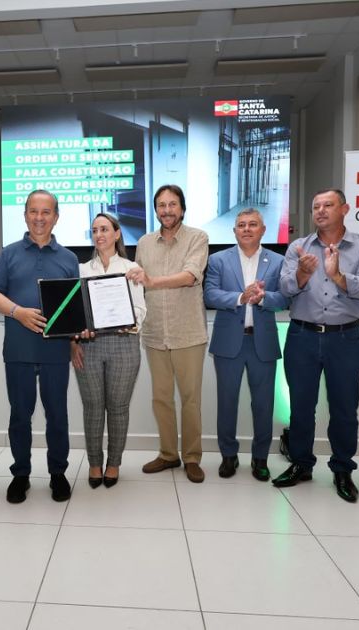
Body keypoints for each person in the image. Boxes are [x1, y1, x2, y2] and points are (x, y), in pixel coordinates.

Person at [273, 189, 359, 503]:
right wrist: (303, 274)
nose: (320, 210)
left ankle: (342, 468)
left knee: (344, 408)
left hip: (344, 338)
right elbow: (284, 288)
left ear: (344, 209)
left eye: (328, 205)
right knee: (300, 407)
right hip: (302, 336)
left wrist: (338, 276)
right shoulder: (299, 247)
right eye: (316, 206)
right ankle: (301, 464)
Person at [0, 190, 78, 503]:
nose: (39, 218)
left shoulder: (69, 259)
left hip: (56, 352)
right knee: (19, 416)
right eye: (34, 211)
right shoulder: (9, 254)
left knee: (58, 416)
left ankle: (58, 473)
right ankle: (21, 474)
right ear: (25, 215)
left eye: (46, 212)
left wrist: (76, 339)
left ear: (56, 216)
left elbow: (73, 307)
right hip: (19, 351)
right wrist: (18, 312)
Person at [126, 185, 210, 483]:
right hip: (154, 333)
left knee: (190, 399)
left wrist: (152, 281)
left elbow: (190, 276)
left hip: (188, 332)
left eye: (172, 204)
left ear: (182, 208)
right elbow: (136, 285)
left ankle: (192, 457)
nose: (167, 210)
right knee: (161, 398)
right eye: (161, 205)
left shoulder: (198, 238)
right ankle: (168, 454)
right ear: (156, 210)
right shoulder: (144, 243)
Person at [203, 208, 287, 481]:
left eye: (253, 224)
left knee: (263, 405)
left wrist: (263, 297)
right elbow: (210, 294)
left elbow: (285, 298)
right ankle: (228, 455)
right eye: (241, 225)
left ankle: (260, 458)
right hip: (228, 343)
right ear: (234, 231)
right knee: (226, 402)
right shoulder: (218, 259)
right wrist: (241, 297)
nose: (247, 229)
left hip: (262, 343)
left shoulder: (278, 260)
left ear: (263, 230)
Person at [70, 213, 146, 488]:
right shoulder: (81, 270)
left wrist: (128, 321)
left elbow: (140, 309)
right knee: (92, 407)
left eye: (104, 229)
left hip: (124, 343)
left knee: (118, 408)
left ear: (116, 234)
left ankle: (113, 463)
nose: (99, 235)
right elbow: (73, 312)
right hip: (88, 346)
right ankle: (94, 463)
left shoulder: (131, 268)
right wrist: (74, 342)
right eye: (94, 230)